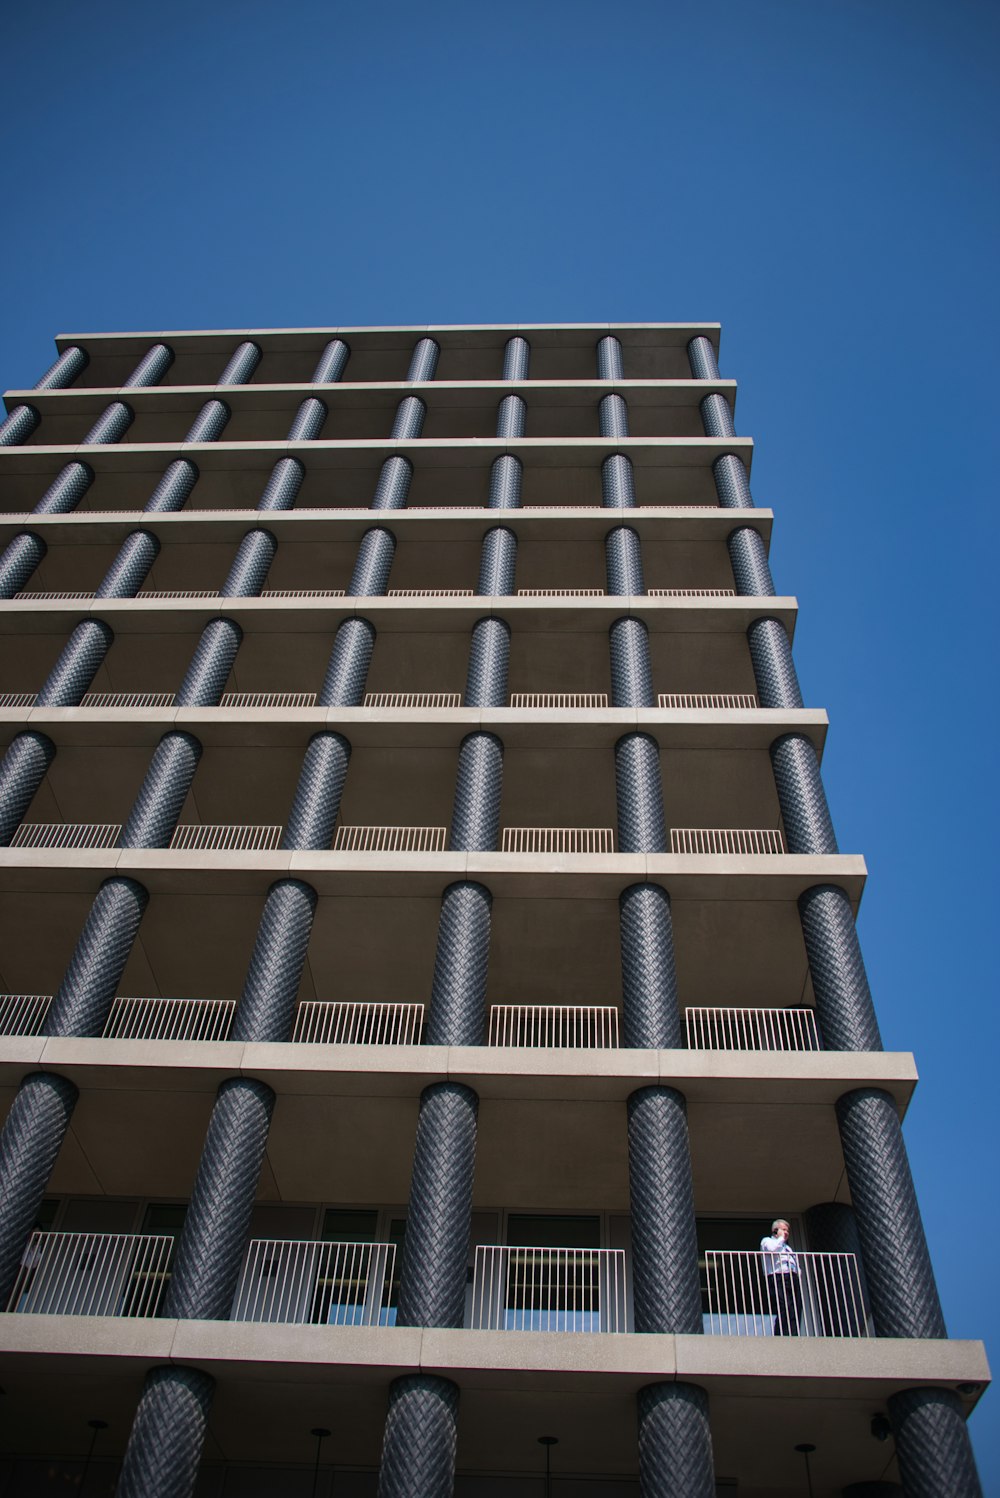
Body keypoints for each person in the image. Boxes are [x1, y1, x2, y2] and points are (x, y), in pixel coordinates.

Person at [760, 1218, 802, 1336]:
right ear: (775, 1230)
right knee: (785, 1307)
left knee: (796, 1308)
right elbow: (772, 1250)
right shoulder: (767, 1241)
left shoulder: (787, 1247)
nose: (786, 1233)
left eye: (787, 1230)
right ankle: (780, 1335)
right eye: (783, 1230)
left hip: (791, 1278)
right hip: (777, 1277)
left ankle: (793, 1335)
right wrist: (780, 1238)